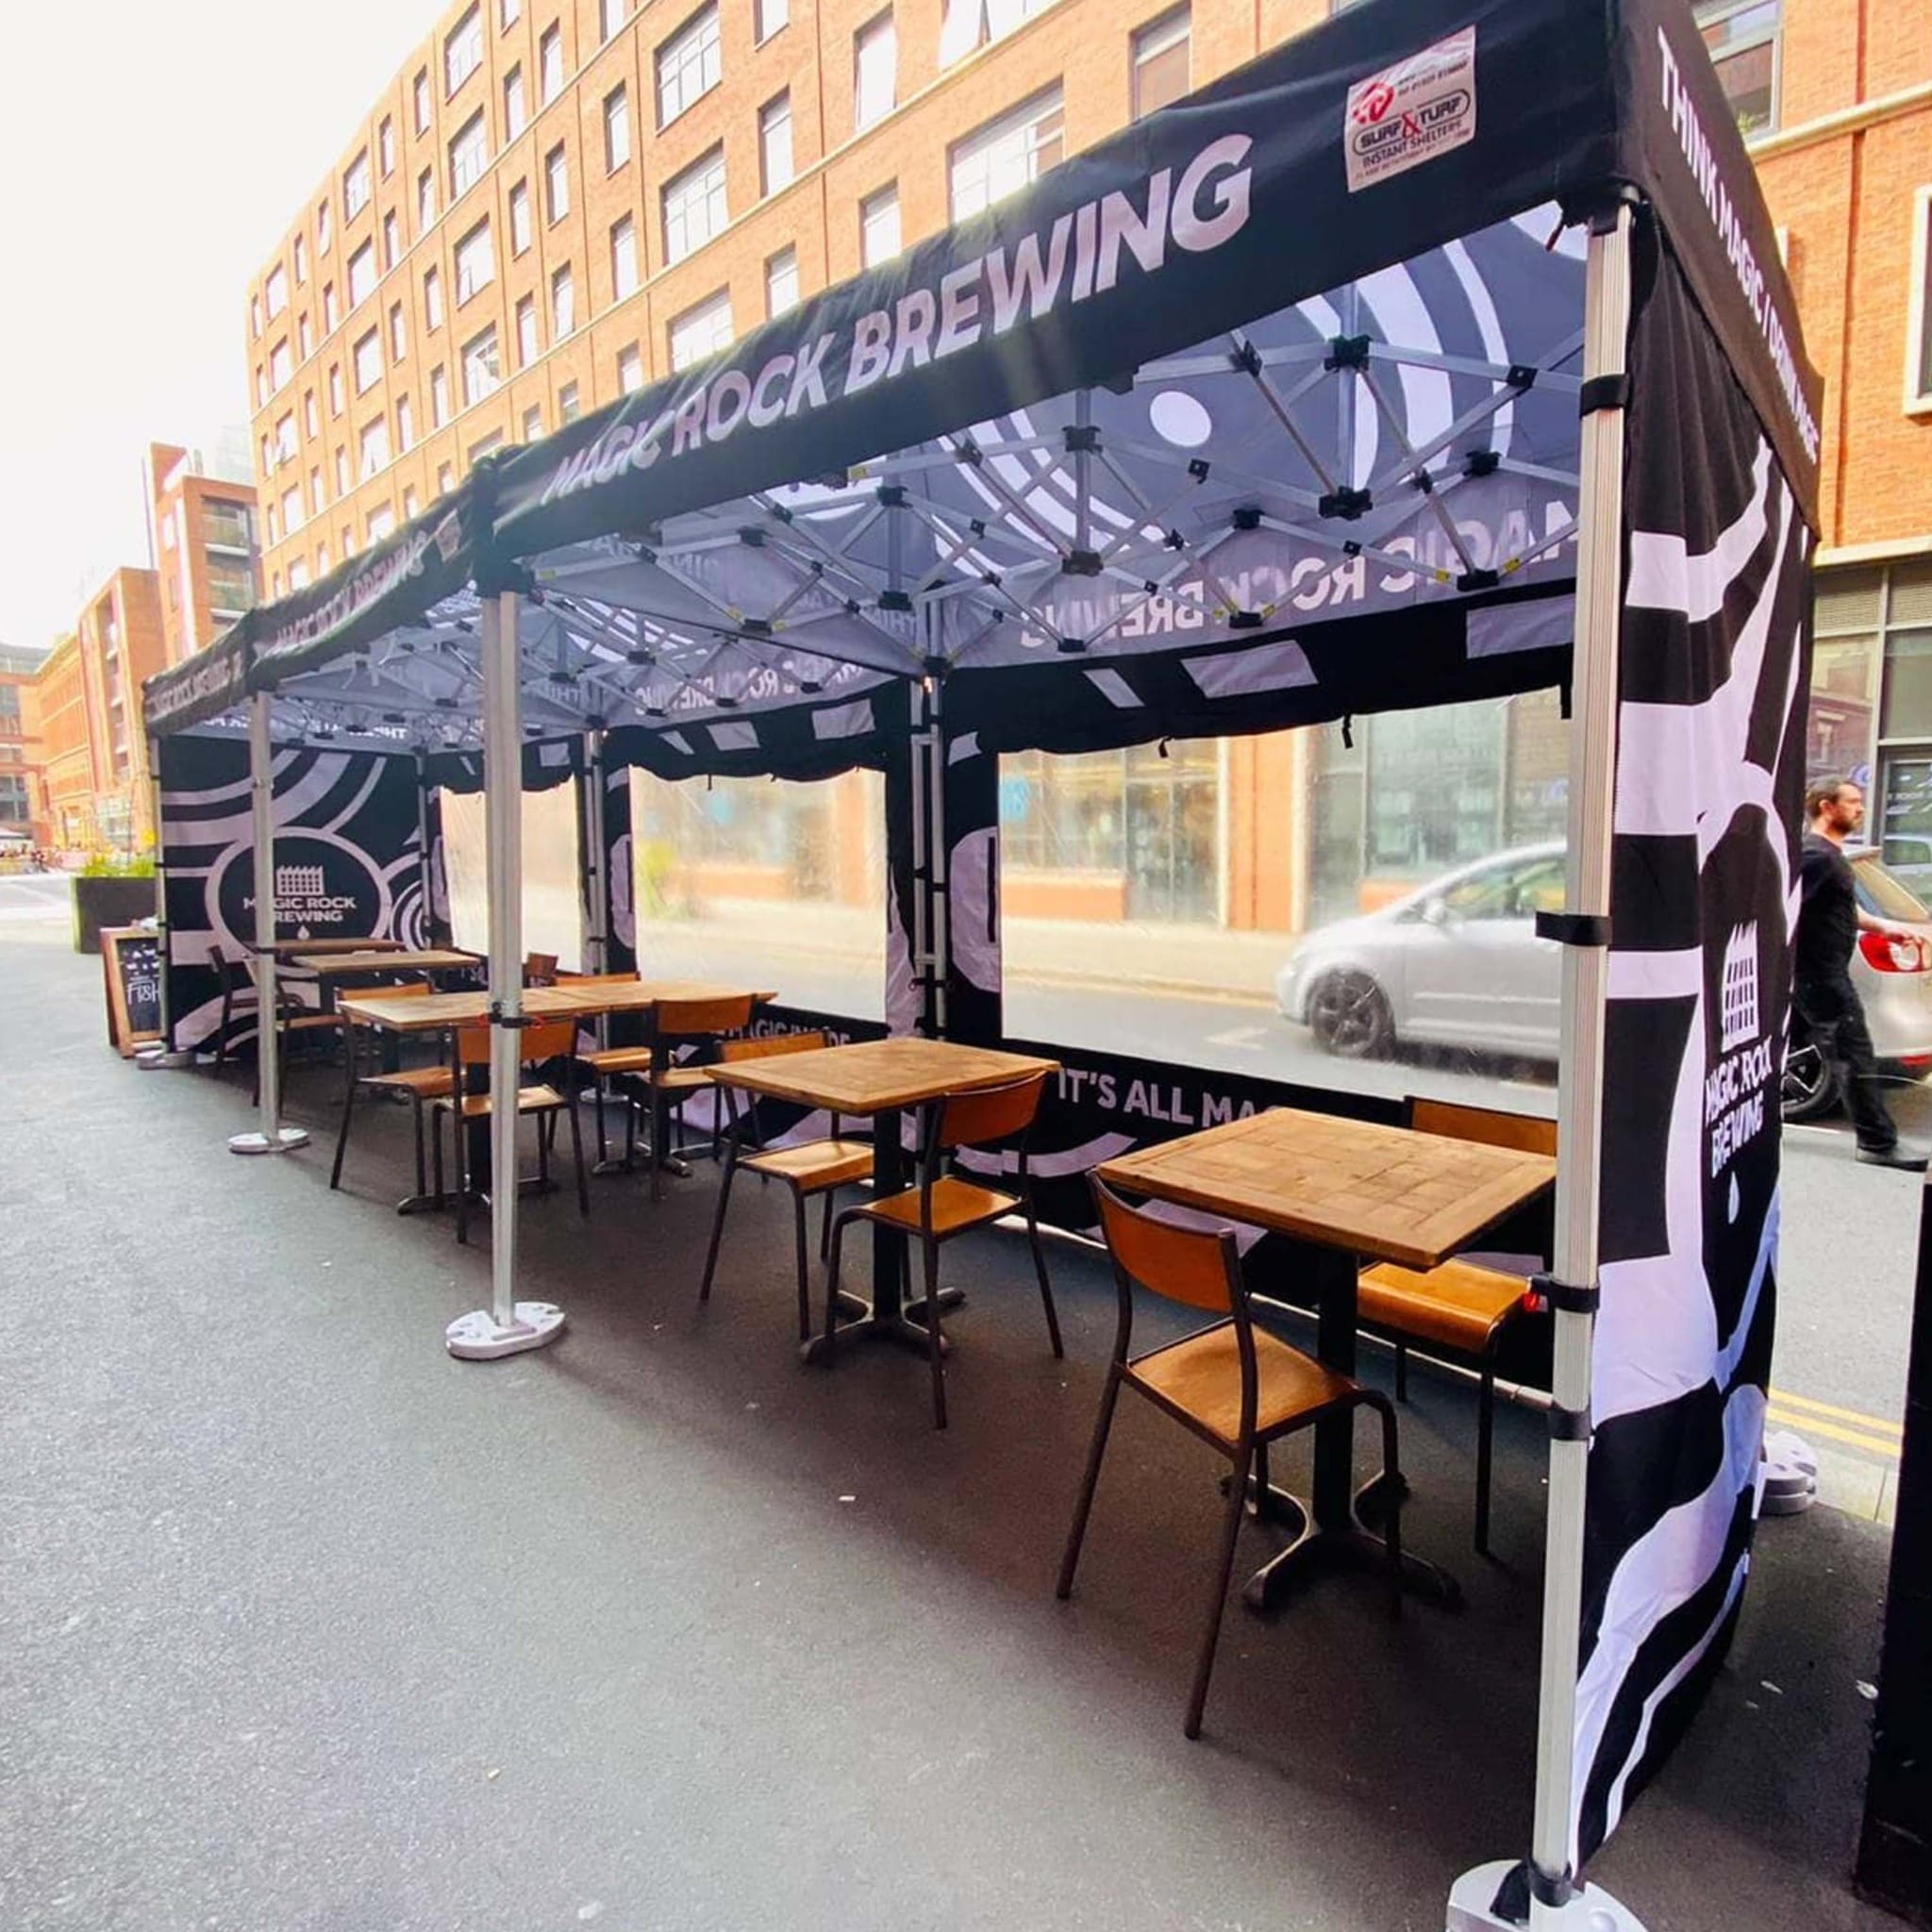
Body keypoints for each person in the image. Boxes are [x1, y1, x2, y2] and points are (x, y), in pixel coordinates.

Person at [1794, 778, 1927, 1170]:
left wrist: (1885, 927)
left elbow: (1839, 907)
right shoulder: (1816, 857)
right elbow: (1783, 907)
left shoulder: (1830, 858)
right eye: (1852, 801)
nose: (1860, 808)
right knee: (1854, 1055)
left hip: (1824, 973)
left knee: (1842, 1053)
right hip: (1819, 976)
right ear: (1826, 807)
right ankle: (1877, 1143)